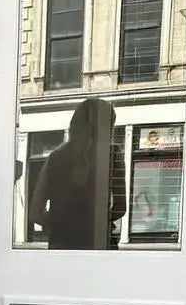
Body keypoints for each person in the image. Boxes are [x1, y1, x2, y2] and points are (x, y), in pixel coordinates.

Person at [29, 98, 127, 250]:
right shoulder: (113, 154)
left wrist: (58, 225)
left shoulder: (55, 157)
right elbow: (120, 207)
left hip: (61, 244)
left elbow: (35, 212)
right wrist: (97, 223)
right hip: (99, 244)